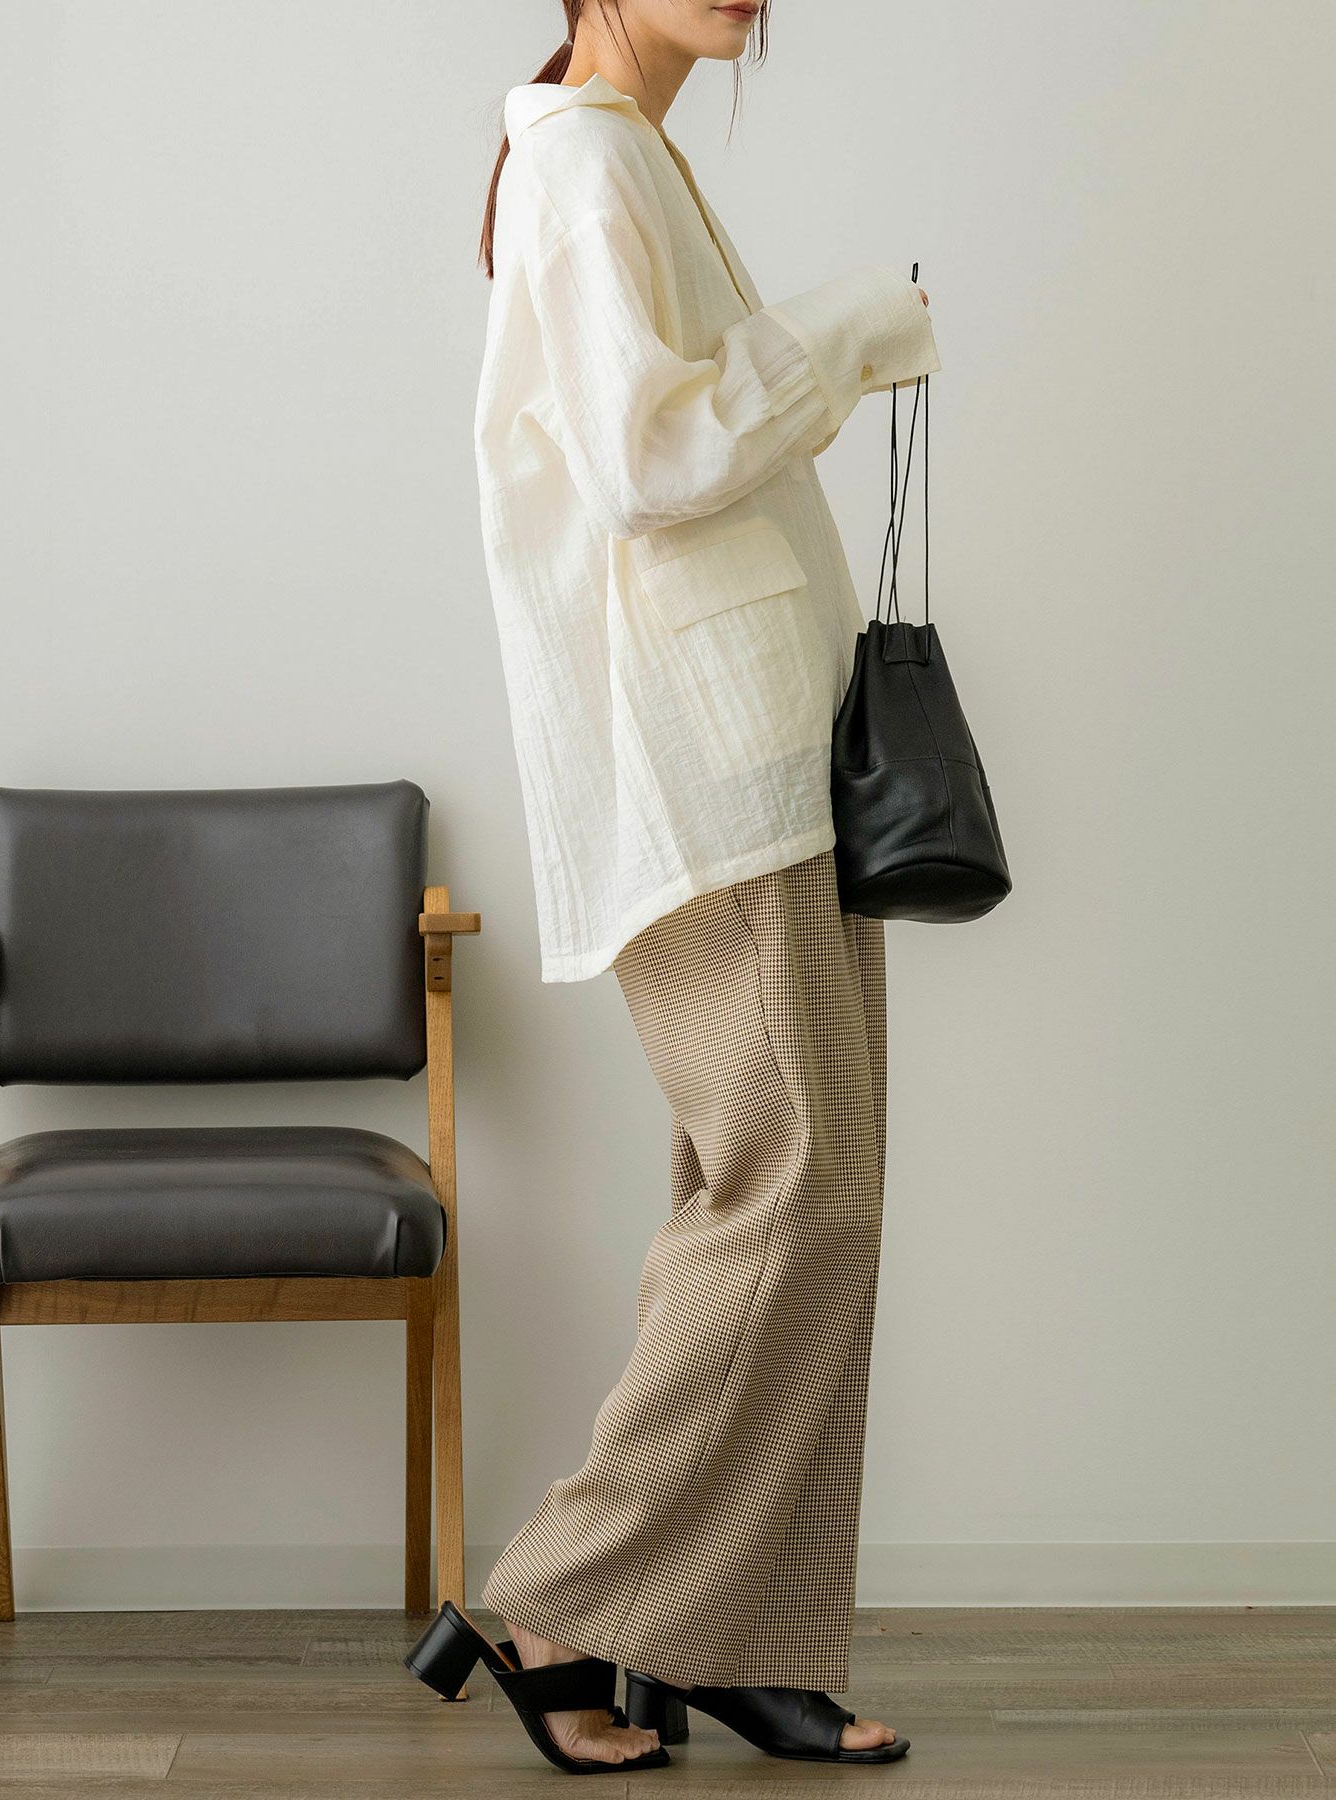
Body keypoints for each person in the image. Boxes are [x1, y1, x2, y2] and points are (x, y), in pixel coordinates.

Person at [407, 0, 940, 1774]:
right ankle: (566, 1599)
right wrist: (848, 330)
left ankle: (731, 1634)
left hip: (774, 752)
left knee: (799, 1197)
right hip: (712, 770)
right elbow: (645, 462)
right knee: (800, 1195)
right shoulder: (578, 164)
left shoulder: (627, 153)